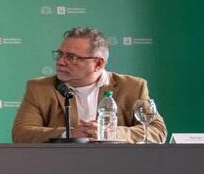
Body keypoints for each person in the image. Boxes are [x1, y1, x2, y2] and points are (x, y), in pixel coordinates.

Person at [11, 26, 166, 143]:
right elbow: (21, 134)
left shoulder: (133, 87)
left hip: (118, 167)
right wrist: (70, 133)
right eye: (60, 54)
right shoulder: (39, 88)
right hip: (60, 168)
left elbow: (157, 132)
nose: (60, 61)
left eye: (71, 57)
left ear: (98, 63)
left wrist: (110, 132)